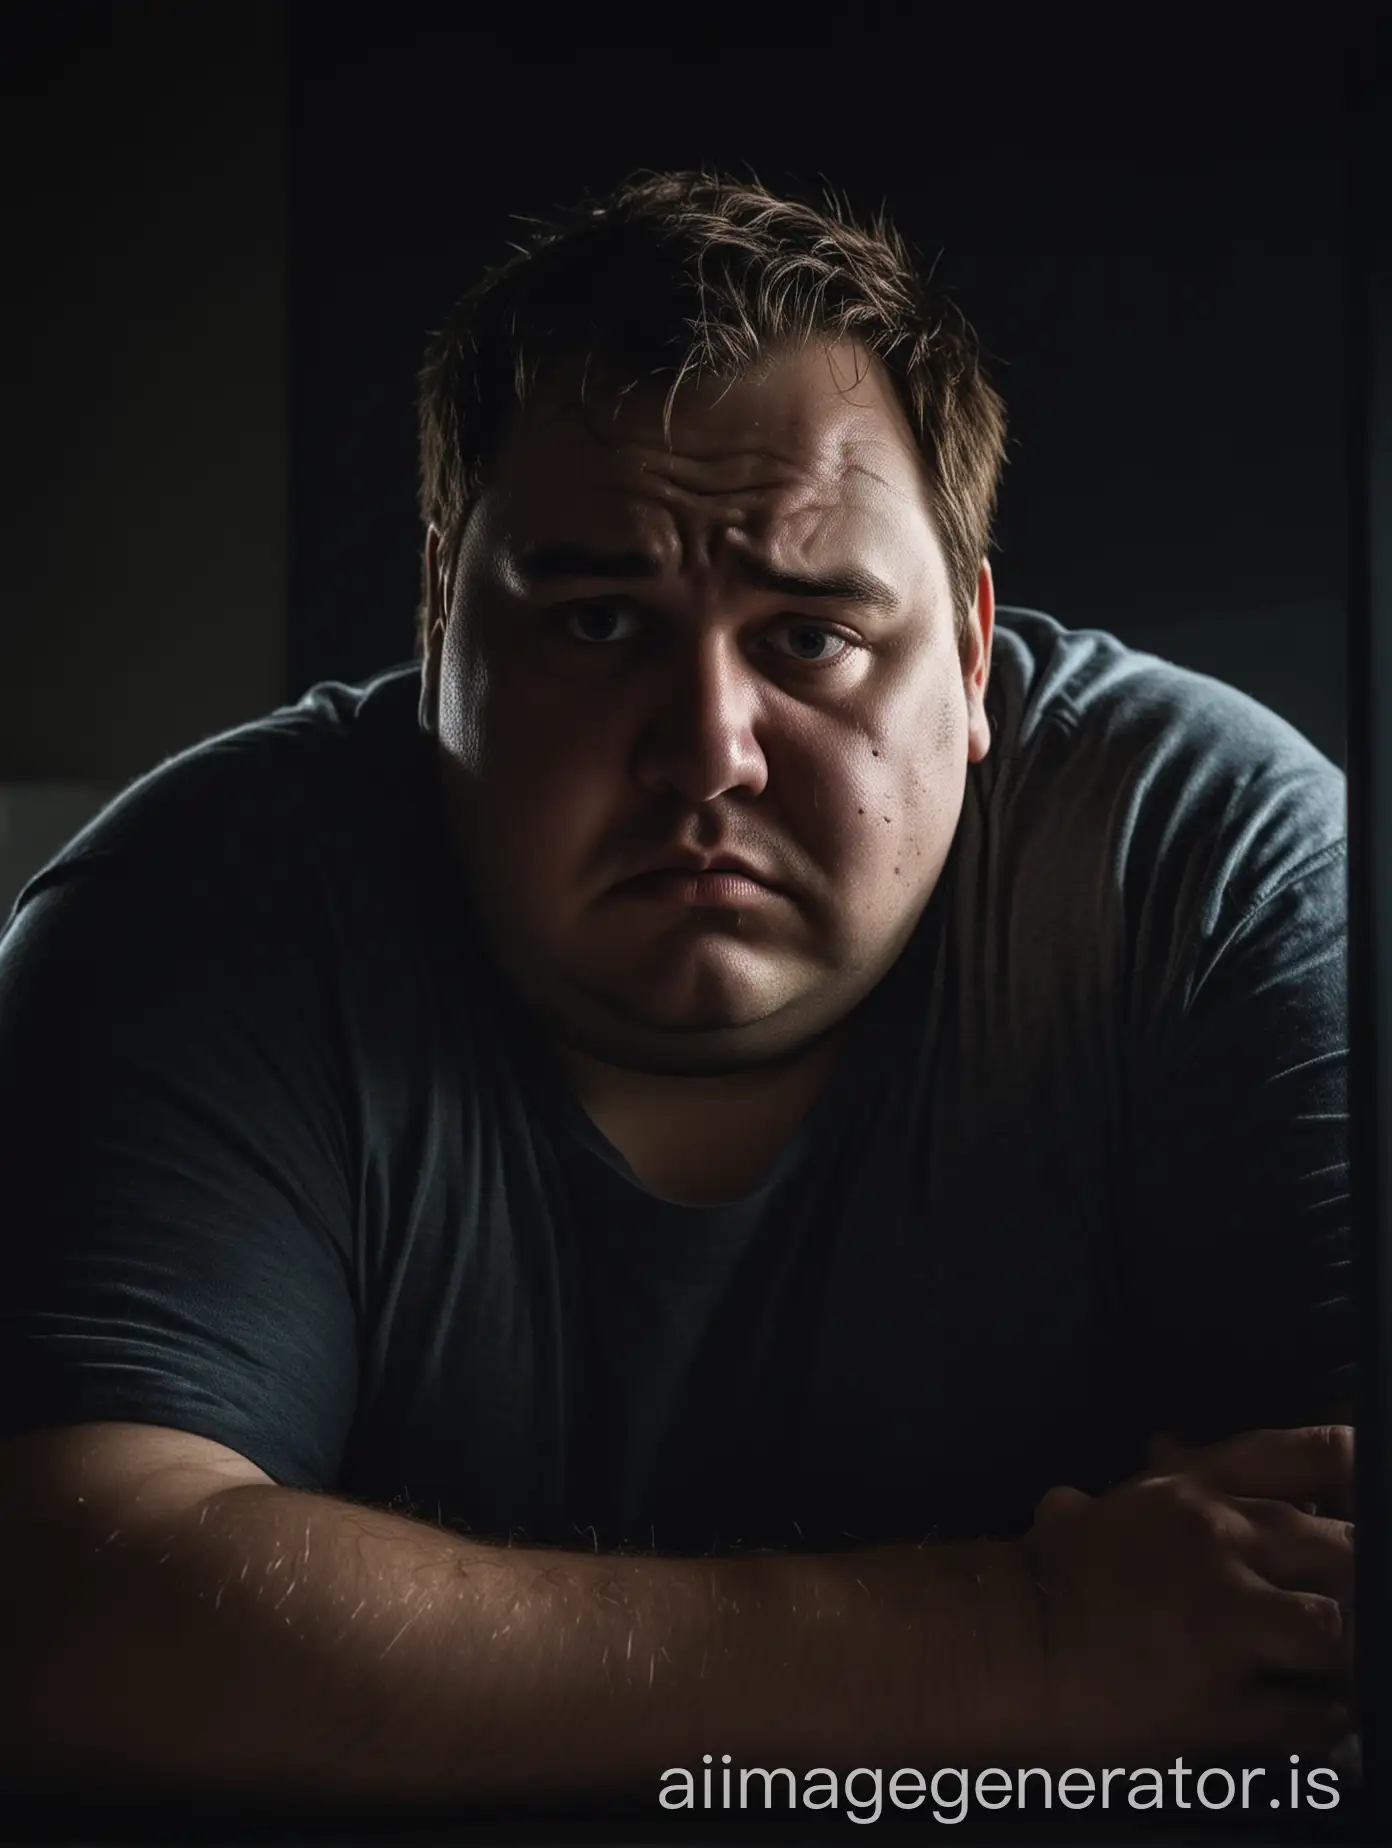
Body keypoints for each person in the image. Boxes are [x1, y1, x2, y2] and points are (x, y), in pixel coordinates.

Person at [0, 170, 1353, 1813]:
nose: (705, 750)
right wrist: (1030, 1641)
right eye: (596, 621)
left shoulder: (1202, 867)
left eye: (809, 640)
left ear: (976, 652)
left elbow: (1326, 1601)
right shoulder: (200, 900)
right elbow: (74, 1612)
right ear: (440, 622)